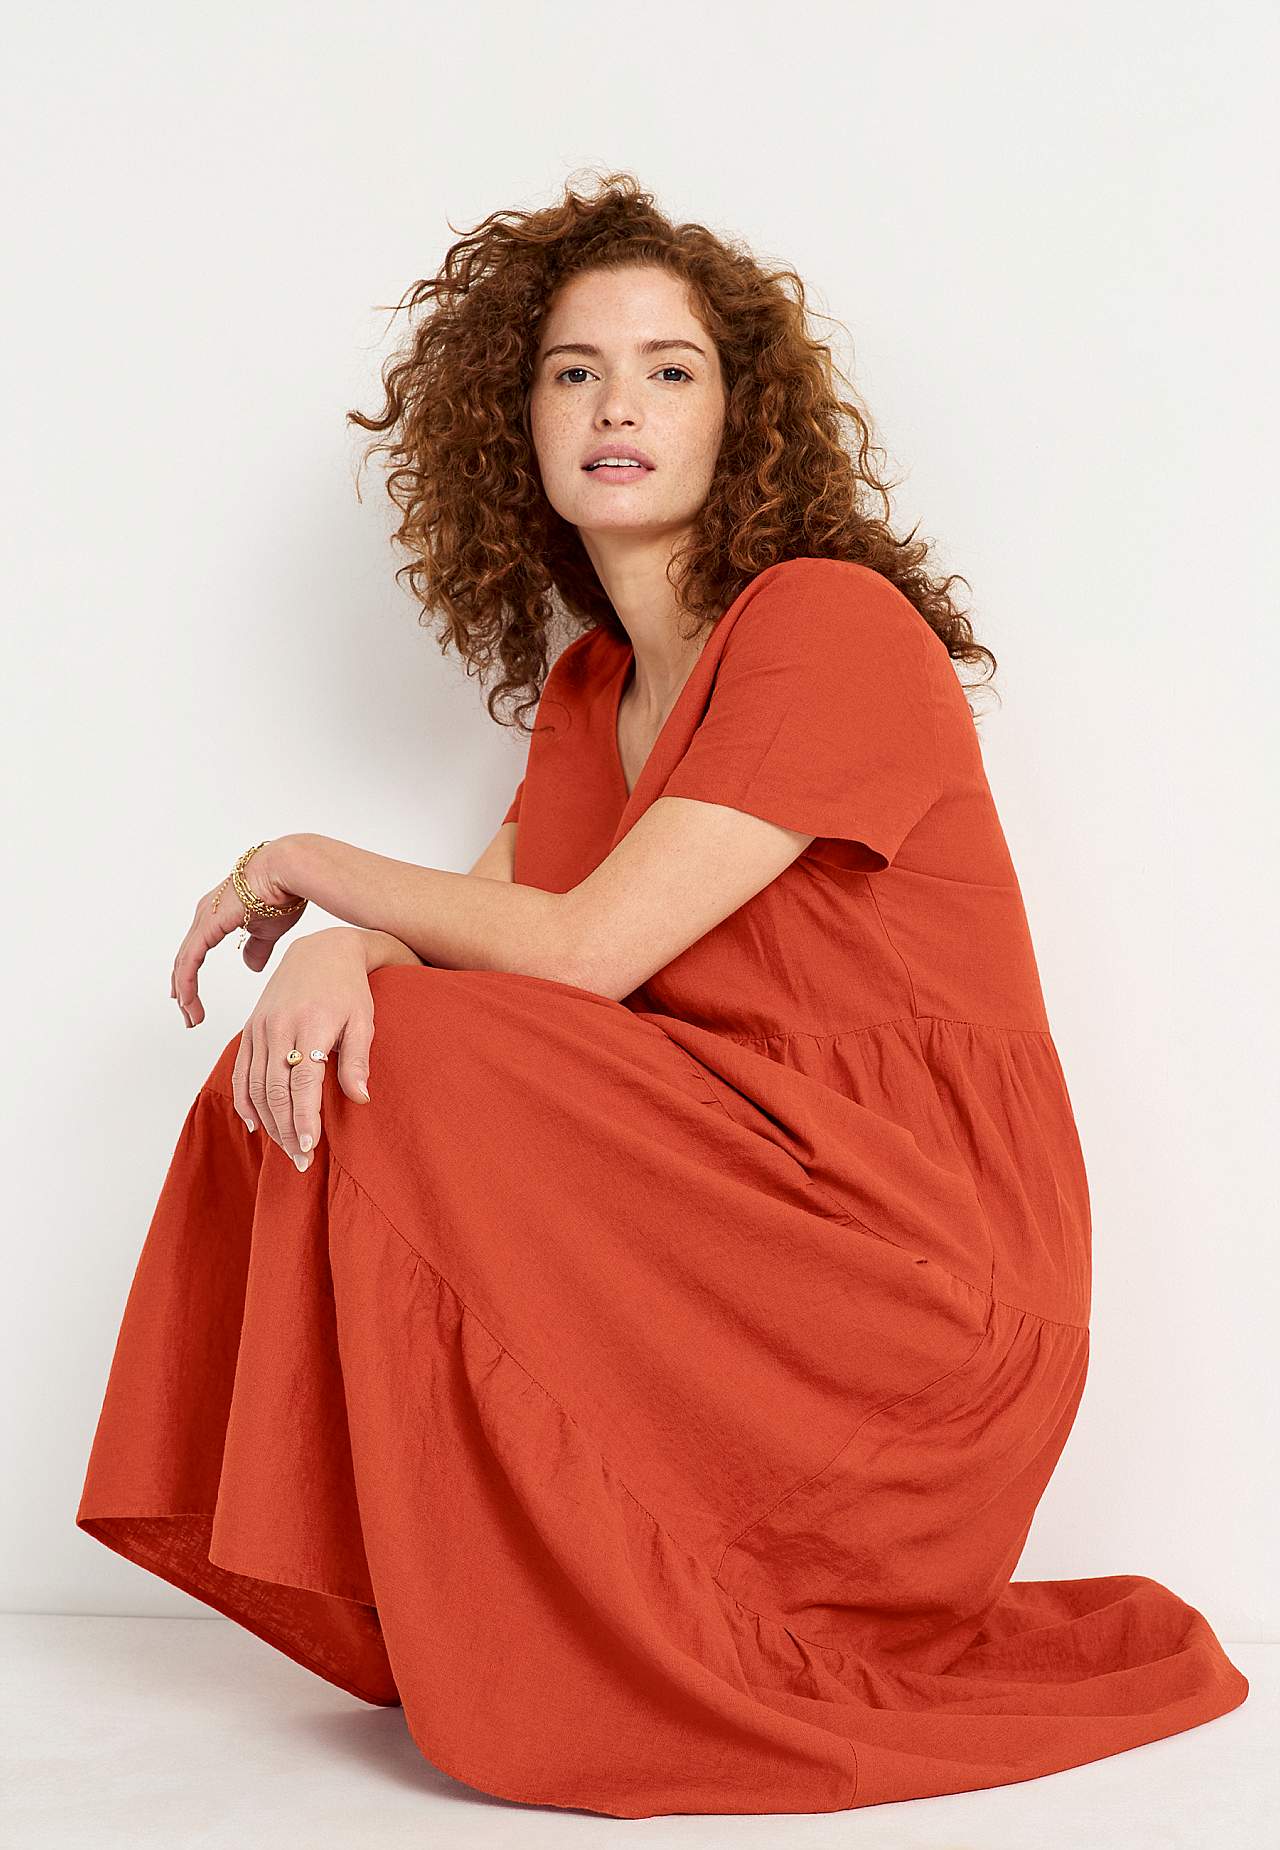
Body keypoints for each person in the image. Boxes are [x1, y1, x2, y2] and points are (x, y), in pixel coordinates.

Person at [76, 173, 1248, 1820]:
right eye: (574, 370)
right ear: (518, 426)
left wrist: (305, 863)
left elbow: (576, 953)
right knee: (323, 1055)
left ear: (739, 418)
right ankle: (483, 1599)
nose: (617, 403)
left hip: (916, 1286)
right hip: (730, 1228)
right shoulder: (591, 690)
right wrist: (339, 948)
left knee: (416, 1055)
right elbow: (476, 929)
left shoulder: (828, 624)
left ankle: (608, 1615)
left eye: (669, 369)